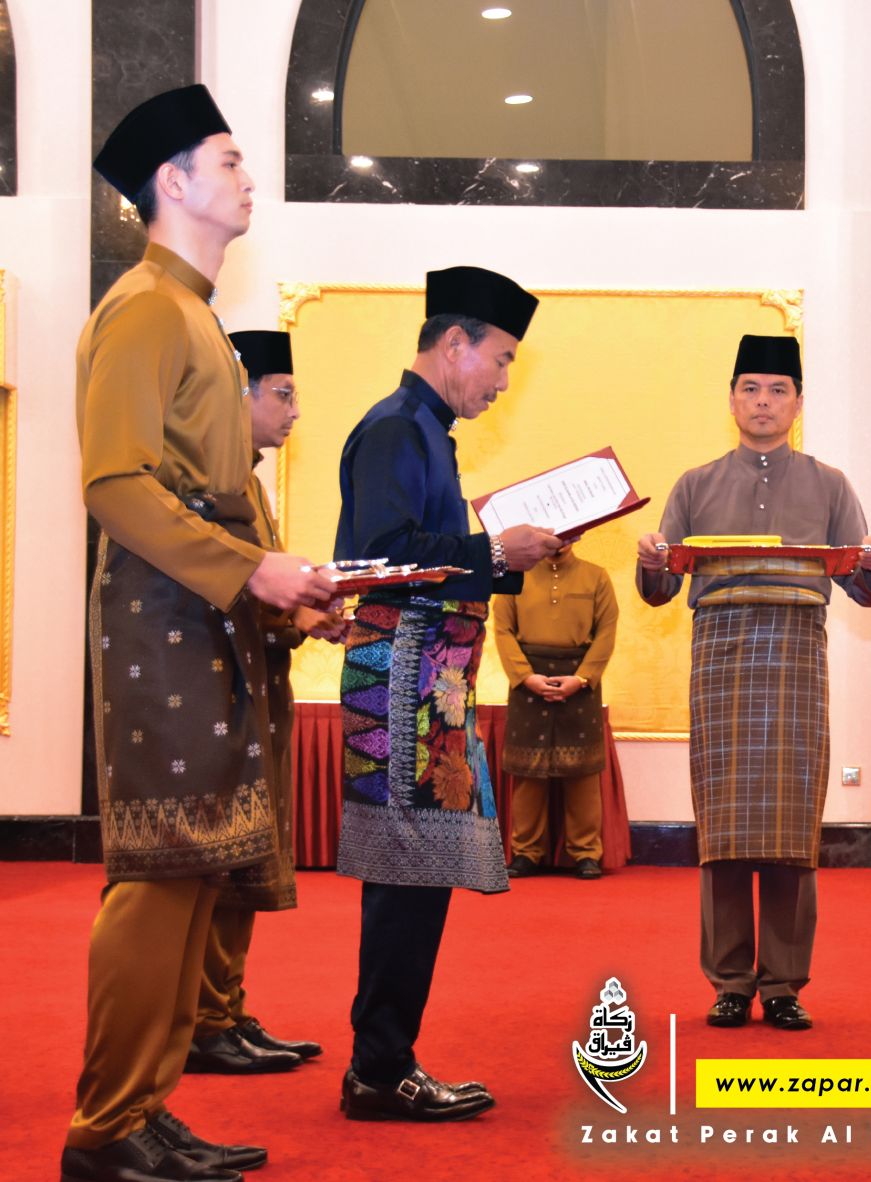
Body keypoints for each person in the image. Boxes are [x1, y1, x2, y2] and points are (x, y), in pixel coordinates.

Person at [68, 85, 334, 1182]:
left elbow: (206, 496)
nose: (247, 176)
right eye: (228, 161)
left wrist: (273, 588)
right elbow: (113, 483)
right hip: (161, 615)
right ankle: (106, 1128)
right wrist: (249, 570)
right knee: (159, 871)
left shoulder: (191, 314)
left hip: (201, 611)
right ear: (171, 183)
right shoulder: (143, 305)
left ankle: (146, 1104)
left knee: (195, 871)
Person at [334, 266, 562, 1121]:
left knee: (416, 871)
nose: (502, 382)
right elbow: (383, 551)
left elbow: (422, 550)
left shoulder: (426, 430)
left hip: (427, 676)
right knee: (406, 871)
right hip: (403, 676)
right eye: (500, 360)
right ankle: (379, 1068)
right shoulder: (398, 428)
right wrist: (495, 551)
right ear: (455, 343)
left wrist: (497, 555)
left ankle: (383, 1061)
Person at [636, 334, 871, 1031]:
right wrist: (651, 560)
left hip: (795, 660)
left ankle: (782, 984)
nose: (763, 401)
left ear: (798, 403)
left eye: (778, 390)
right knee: (723, 827)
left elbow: (866, 587)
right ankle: (729, 982)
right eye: (750, 388)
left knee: (789, 826)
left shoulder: (830, 485)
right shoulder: (694, 485)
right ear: (731, 399)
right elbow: (660, 588)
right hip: (719, 661)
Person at [182, 331, 343, 1077]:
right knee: (219, 860)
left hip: (257, 691)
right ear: (236, 396)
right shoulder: (209, 484)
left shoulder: (248, 484)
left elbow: (256, 597)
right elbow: (218, 595)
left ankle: (227, 1009)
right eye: (282, 393)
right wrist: (292, 613)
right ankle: (204, 1021)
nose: (294, 410)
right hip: (221, 697)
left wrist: (302, 615)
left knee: (246, 857)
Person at [492, 541, 619, 879]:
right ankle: (525, 852)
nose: (559, 540)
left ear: (579, 534)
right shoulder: (513, 576)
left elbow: (606, 632)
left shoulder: (597, 577)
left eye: (566, 533)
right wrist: (525, 676)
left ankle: (586, 853)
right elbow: (502, 630)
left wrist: (582, 678)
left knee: (583, 773)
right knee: (527, 772)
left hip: (580, 681)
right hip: (528, 682)